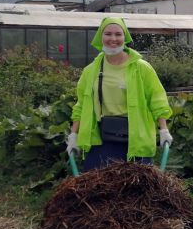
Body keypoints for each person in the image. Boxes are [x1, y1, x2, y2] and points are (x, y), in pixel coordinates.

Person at [65, 17, 173, 170]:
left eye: (118, 34)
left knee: (137, 188)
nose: (113, 39)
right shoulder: (91, 71)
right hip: (102, 139)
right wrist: (73, 135)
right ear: (100, 37)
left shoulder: (141, 68)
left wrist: (163, 129)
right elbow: (81, 105)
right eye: (108, 34)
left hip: (136, 137)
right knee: (99, 187)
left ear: (125, 37)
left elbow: (157, 99)